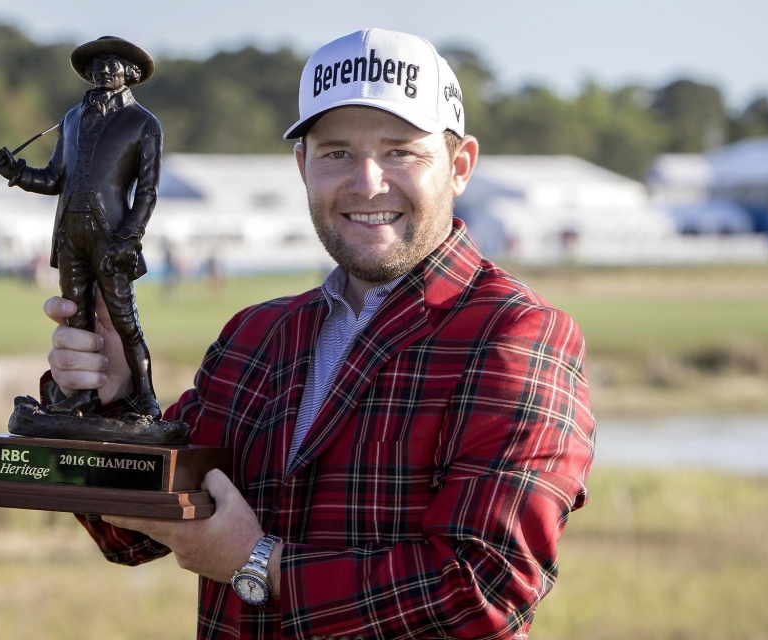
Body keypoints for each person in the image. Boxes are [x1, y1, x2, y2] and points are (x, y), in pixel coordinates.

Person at [43, 28, 595, 640]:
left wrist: (260, 564)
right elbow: (127, 535)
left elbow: (483, 591)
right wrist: (113, 399)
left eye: (400, 152)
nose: (366, 182)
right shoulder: (256, 335)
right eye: (335, 152)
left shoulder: (516, 335)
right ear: (303, 167)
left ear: (459, 166)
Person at [0, 35, 163, 418]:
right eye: (97, 65)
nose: (104, 70)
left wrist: (129, 236)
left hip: (112, 237)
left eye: (113, 64)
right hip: (70, 234)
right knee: (77, 316)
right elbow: (54, 178)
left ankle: (147, 398)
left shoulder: (144, 123)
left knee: (123, 320)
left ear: (130, 73)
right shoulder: (71, 118)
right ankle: (84, 397)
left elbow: (148, 192)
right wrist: (16, 172)